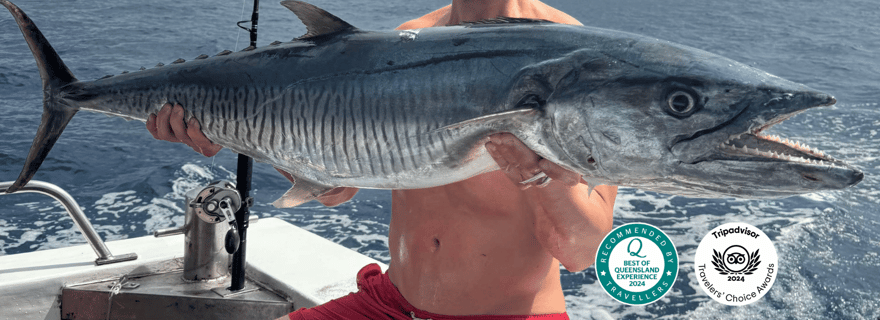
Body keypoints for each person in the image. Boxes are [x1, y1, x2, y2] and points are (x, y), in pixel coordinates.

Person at [147, 1, 617, 318]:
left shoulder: (575, 60)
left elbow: (581, 252)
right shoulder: (408, 41)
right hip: (389, 304)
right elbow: (338, 188)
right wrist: (238, 133)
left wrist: (538, 174)